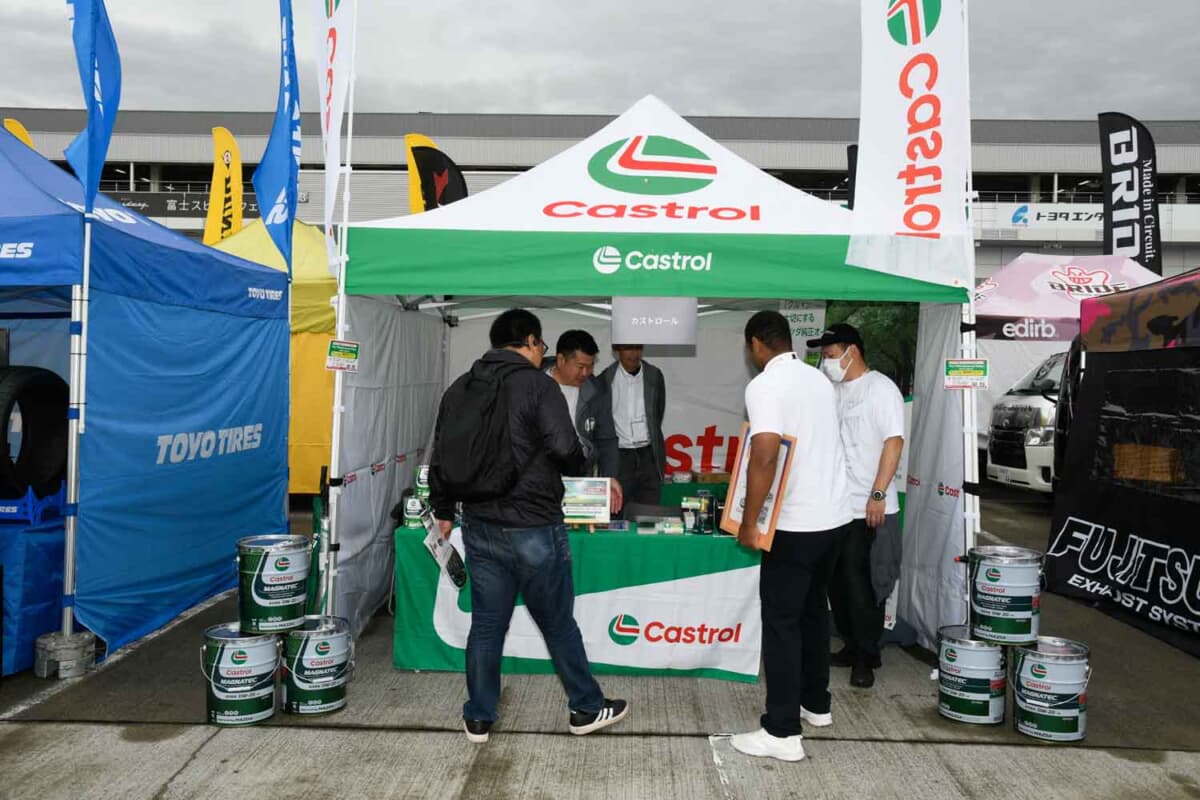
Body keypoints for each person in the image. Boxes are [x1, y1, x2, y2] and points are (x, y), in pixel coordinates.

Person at [428, 309, 627, 743]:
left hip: (479, 523)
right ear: (533, 343)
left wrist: (442, 509)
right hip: (534, 523)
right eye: (542, 346)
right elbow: (564, 446)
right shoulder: (538, 385)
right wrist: (580, 465)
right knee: (557, 623)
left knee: (486, 625)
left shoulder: (460, 387)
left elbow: (440, 454)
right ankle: (586, 707)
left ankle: (479, 716)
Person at [731, 311, 853, 764]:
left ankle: (782, 731)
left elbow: (764, 455)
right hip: (834, 519)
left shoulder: (765, 385)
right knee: (813, 613)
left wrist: (749, 521)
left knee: (781, 623)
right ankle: (815, 704)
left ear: (755, 345)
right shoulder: (819, 380)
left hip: (795, 524)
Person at [808, 323, 905, 690]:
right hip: (835, 505)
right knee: (837, 582)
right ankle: (851, 644)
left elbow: (893, 443)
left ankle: (867, 655)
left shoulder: (880, 389)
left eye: (831, 355)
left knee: (863, 584)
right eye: (824, 355)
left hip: (869, 506)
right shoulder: (831, 391)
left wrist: (878, 494)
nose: (826, 361)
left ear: (853, 352)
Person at [547, 331, 623, 499]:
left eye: (590, 366)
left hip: (579, 479)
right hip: (539, 478)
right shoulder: (533, 384)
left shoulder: (596, 391)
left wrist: (609, 477)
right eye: (580, 366)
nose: (585, 373)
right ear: (561, 360)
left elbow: (607, 439)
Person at [599, 344, 666, 507]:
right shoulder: (605, 378)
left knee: (649, 510)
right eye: (628, 348)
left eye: (637, 348)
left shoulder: (654, 375)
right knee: (617, 508)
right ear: (617, 350)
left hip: (648, 455)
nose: (634, 353)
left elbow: (658, 412)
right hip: (619, 456)